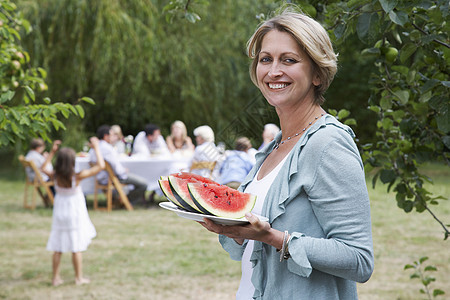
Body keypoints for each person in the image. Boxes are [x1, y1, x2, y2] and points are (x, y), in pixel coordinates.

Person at [199, 7, 374, 299]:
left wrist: (272, 237)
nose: (273, 71)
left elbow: (359, 260)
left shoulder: (328, 143)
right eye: (265, 59)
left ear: (317, 74)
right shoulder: (275, 146)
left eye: (289, 60)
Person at [43, 137, 105, 286]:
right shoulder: (77, 176)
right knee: (76, 248)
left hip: (59, 214)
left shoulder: (55, 176)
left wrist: (51, 152)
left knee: (57, 248)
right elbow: (100, 166)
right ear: (72, 162)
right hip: (73, 214)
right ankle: (78, 278)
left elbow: (43, 168)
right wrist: (96, 147)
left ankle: (55, 278)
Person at [91, 125, 148, 204]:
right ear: (106, 136)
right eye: (111, 135)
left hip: (100, 178)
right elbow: (117, 168)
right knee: (144, 184)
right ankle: (126, 201)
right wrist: (123, 171)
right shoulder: (108, 148)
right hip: (112, 178)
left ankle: (121, 200)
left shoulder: (93, 148)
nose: (112, 137)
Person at [25, 138, 61, 204]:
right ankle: (56, 200)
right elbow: (43, 167)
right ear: (38, 148)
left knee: (54, 179)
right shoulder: (35, 156)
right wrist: (52, 152)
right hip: (40, 179)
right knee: (58, 179)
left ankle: (49, 199)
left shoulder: (30, 154)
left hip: (34, 178)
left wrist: (44, 158)